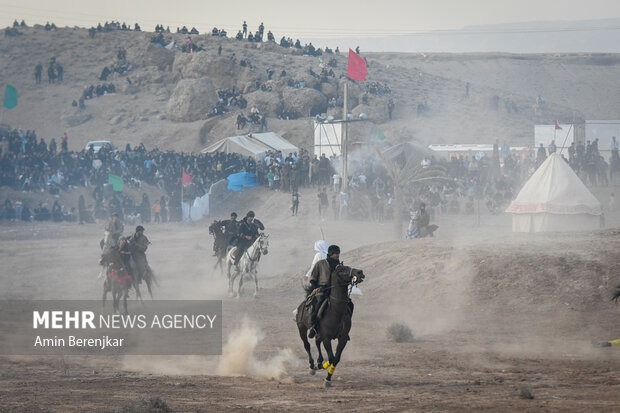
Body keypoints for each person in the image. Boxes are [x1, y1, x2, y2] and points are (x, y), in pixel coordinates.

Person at [308, 244, 341, 338]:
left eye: (338, 253)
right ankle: (314, 327)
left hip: (336, 290)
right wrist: (316, 287)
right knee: (317, 307)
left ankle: (344, 329)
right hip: (322, 290)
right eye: (335, 253)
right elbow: (313, 278)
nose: (337, 255)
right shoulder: (320, 264)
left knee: (349, 304)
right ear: (330, 254)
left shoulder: (339, 266)